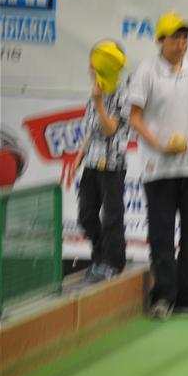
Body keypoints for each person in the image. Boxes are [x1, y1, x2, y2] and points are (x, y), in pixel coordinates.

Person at [128, 11, 188, 321]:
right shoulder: (146, 72)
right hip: (157, 167)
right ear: (160, 40)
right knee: (161, 235)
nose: (181, 44)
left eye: (184, 38)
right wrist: (158, 144)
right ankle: (163, 297)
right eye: (175, 38)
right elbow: (135, 117)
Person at [71, 40, 130, 282]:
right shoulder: (96, 89)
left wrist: (98, 103)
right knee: (85, 215)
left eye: (92, 64)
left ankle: (113, 262)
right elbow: (91, 130)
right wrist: (79, 156)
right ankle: (100, 257)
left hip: (112, 164)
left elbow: (110, 129)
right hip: (92, 162)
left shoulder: (123, 94)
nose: (89, 69)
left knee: (112, 216)